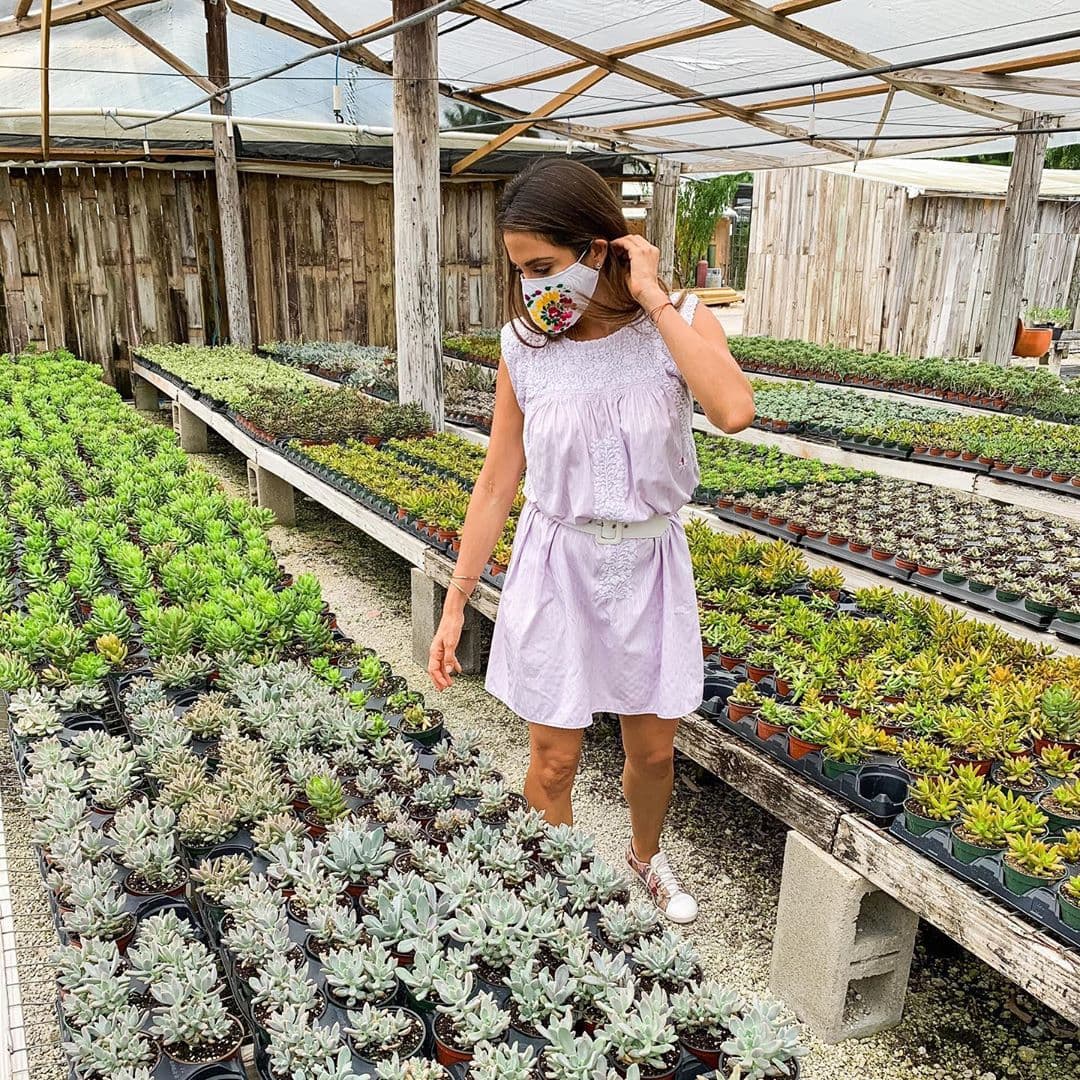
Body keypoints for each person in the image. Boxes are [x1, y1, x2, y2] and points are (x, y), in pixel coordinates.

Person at [427, 158, 754, 924]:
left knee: (652, 754)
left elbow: (734, 409)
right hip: (558, 560)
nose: (535, 288)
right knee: (553, 757)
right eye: (521, 273)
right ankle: (566, 899)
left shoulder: (677, 319)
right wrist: (456, 603)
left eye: (544, 267)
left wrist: (654, 297)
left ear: (599, 248)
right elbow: (497, 483)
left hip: (649, 562)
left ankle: (645, 855)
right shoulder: (524, 347)